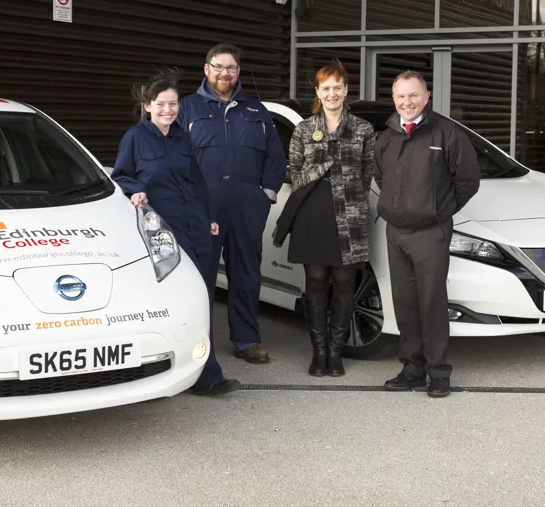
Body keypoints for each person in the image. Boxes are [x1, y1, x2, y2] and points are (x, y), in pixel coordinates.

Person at [111, 68, 240, 396]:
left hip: (196, 226)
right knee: (172, 300)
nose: (168, 110)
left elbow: (197, 181)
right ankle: (170, 371)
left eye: (174, 104)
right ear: (148, 106)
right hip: (164, 232)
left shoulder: (183, 137)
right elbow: (121, 175)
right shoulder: (135, 139)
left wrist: (209, 216)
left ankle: (206, 373)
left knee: (203, 298)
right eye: (161, 104)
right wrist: (135, 189)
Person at [178, 43, 288, 365]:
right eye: (218, 66)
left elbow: (275, 160)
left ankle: (246, 340)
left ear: (238, 71)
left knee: (246, 276)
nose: (224, 72)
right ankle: (200, 343)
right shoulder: (187, 109)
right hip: (204, 211)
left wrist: (264, 197)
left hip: (245, 210)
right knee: (201, 278)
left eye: (231, 67)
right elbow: (176, 159)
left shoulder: (256, 111)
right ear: (206, 68)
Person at [373, 70, 480, 398]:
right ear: (394, 99)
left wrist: (438, 210)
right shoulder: (387, 137)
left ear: (426, 96)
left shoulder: (447, 133)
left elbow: (468, 181)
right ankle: (412, 368)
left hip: (430, 233)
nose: (407, 102)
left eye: (413, 95)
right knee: (405, 303)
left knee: (432, 302)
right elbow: (380, 177)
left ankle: (438, 372)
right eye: (401, 96)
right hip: (396, 233)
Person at [272, 61, 375, 377]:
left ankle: (335, 350)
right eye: (325, 87)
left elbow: (367, 174)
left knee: (345, 283)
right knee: (315, 283)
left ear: (346, 91)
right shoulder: (304, 129)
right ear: (318, 91)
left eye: (337, 87)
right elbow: (295, 170)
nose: (332, 93)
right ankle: (319, 353)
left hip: (350, 213)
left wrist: (350, 195)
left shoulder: (363, 129)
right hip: (312, 213)